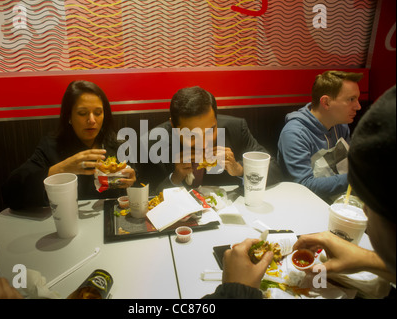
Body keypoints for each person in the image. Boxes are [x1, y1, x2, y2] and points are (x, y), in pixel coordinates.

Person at [204, 85, 396, 299]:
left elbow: (274, 170)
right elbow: (304, 182)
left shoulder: (237, 127)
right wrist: (369, 260)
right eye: (351, 99)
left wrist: (236, 290)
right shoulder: (298, 130)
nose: (358, 106)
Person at [2, 80, 136, 210]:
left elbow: (135, 188)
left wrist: (131, 182)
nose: (91, 120)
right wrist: (61, 168)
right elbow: (11, 193)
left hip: (110, 222)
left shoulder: (117, 144)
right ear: (69, 116)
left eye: (98, 113)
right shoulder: (52, 146)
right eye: (82, 113)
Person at [140, 86, 282, 194]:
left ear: (216, 119)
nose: (203, 142)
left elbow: (275, 172)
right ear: (173, 126)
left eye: (210, 131)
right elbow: (144, 196)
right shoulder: (152, 143)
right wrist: (175, 178)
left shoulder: (236, 129)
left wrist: (240, 170)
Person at [277, 70, 363, 201]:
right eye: (351, 99)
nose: (358, 106)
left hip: (338, 201)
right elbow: (304, 185)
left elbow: (349, 165)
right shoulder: (295, 133)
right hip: (302, 204)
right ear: (326, 102)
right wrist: (356, 177)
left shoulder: (341, 125)